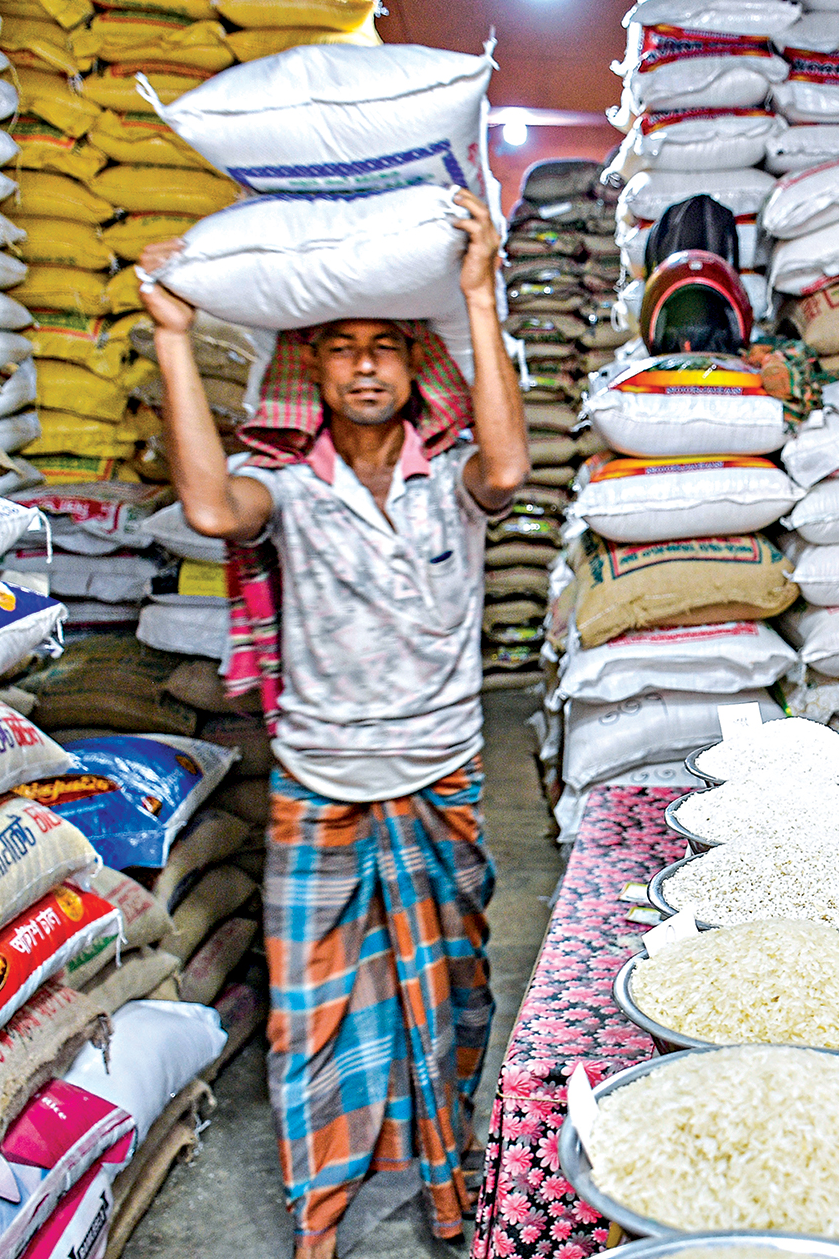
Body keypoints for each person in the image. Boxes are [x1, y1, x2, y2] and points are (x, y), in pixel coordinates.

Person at [136, 187, 529, 1257]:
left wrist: (478, 293)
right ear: (310, 371)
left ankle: (449, 1191)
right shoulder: (283, 489)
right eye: (340, 348)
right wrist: (175, 338)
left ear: (415, 369)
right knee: (310, 1020)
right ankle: (319, 1222)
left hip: (437, 777)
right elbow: (213, 510)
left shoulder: (449, 479)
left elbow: (509, 468)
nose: (363, 366)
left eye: (386, 348)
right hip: (318, 788)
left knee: (445, 1005)